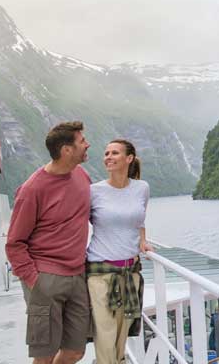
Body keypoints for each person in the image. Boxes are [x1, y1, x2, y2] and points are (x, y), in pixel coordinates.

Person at [6, 121, 92, 364]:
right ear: (66, 150)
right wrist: (36, 282)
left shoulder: (81, 175)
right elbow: (14, 243)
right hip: (45, 278)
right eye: (82, 141)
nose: (87, 145)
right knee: (44, 356)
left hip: (77, 276)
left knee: (76, 351)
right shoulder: (32, 189)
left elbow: (91, 212)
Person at [85, 139, 151, 364]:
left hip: (130, 273)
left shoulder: (142, 188)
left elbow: (139, 220)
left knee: (122, 334)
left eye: (114, 153)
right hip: (100, 273)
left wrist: (143, 241)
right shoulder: (94, 191)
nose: (108, 157)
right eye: (106, 153)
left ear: (129, 158)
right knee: (105, 334)